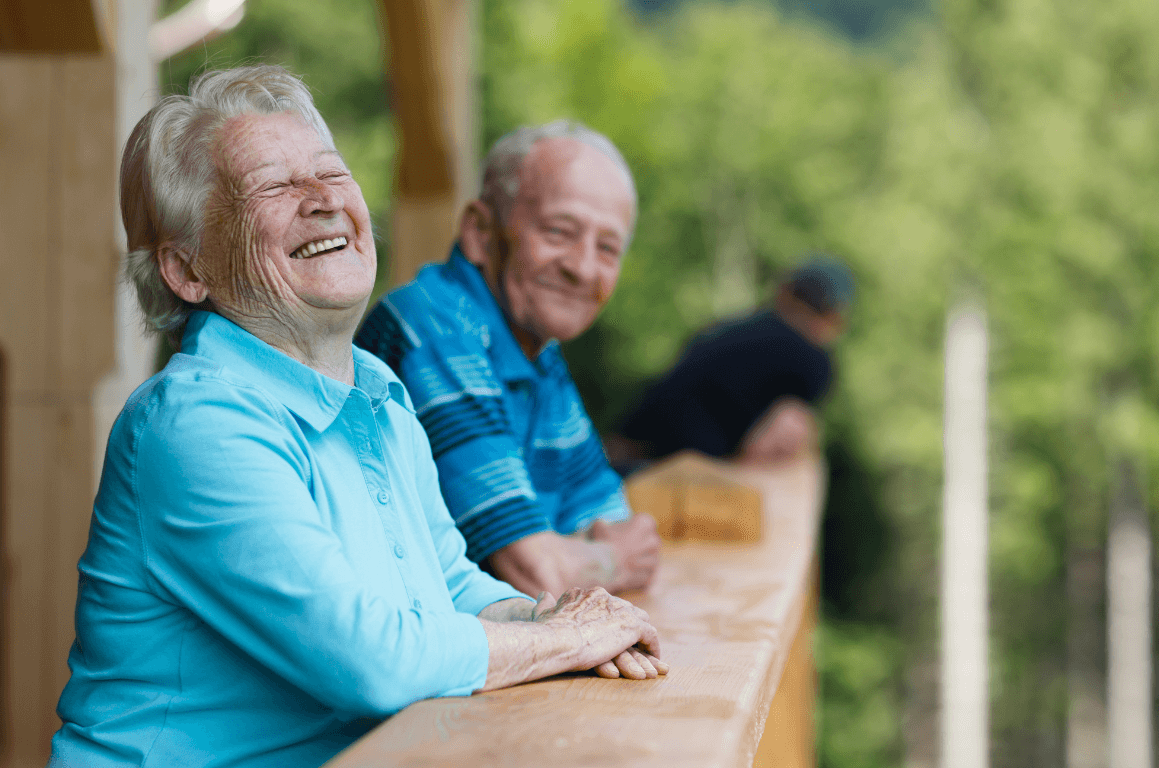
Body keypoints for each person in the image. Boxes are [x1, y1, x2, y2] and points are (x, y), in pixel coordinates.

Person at [48, 66, 665, 768]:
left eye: (332, 173)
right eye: (275, 186)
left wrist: (567, 620)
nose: (323, 202)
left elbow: (450, 583)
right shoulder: (194, 424)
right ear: (188, 270)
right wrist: (561, 642)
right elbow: (373, 660)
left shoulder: (376, 389)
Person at [355, 121, 660, 599]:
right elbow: (534, 573)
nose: (582, 268)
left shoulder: (536, 348)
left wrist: (571, 552)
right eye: (560, 232)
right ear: (479, 231)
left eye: (607, 248)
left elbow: (610, 514)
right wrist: (604, 559)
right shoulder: (435, 327)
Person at [611, 257, 854, 468]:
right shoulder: (815, 362)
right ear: (834, 317)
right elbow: (772, 443)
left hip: (630, 452)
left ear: (784, 291)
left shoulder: (723, 330)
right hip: (696, 475)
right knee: (804, 433)